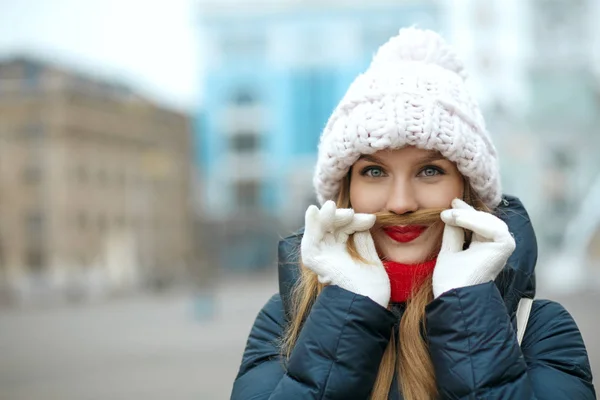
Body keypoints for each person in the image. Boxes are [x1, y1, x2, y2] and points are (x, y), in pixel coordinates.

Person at [230, 28, 596, 399]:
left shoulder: (538, 329)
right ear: (345, 191)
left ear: (466, 188)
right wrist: (347, 312)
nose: (401, 203)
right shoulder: (288, 320)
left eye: (430, 171)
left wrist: (467, 309)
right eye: (374, 172)